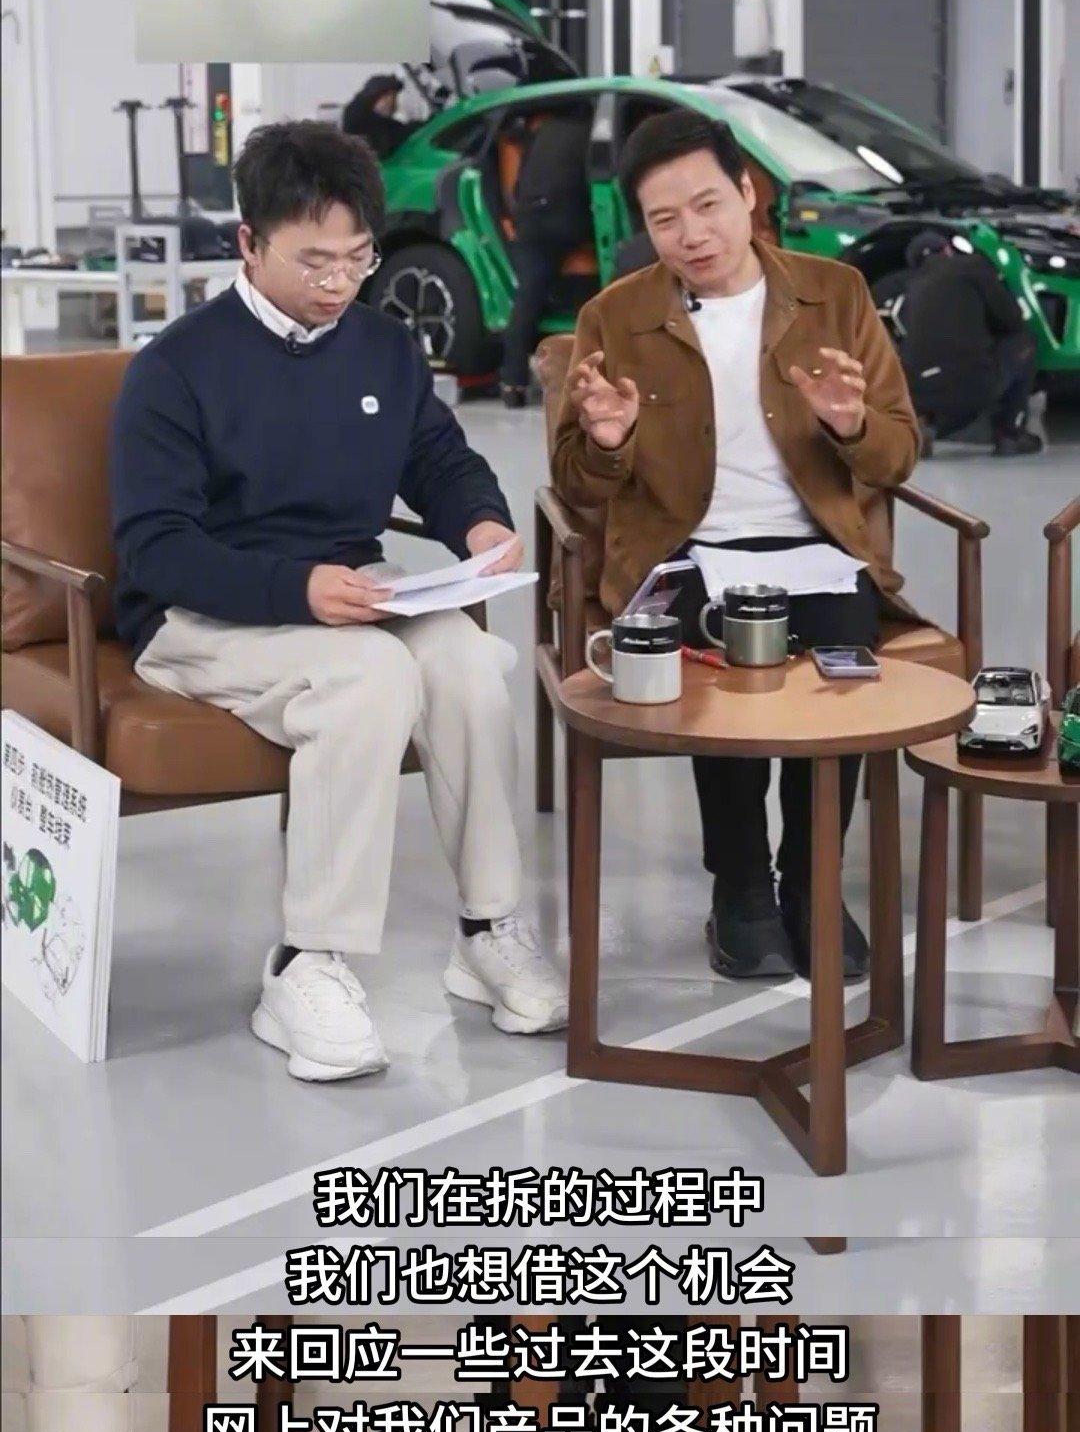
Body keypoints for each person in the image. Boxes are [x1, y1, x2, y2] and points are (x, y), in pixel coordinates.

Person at [111, 120, 566, 1081]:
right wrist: (296, 589)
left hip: (346, 593)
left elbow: (438, 459)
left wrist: (480, 525)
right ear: (248, 243)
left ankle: (487, 930)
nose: (338, 282)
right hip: (201, 614)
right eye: (313, 261)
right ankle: (304, 963)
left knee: (470, 662)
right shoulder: (175, 367)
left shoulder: (382, 347)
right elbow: (155, 548)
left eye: (358, 258)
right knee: (369, 677)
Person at [552, 106, 923, 987]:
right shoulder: (614, 317)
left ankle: (812, 882)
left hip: (817, 550)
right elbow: (575, 484)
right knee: (718, 663)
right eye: (664, 219)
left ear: (748, 193)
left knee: (843, 662)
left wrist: (851, 423)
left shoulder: (835, 294)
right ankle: (743, 888)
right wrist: (606, 441)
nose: (692, 234)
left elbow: (898, 454)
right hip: (685, 555)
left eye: (708, 205)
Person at [883, 227, 1041, 454]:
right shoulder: (972, 266)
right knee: (1024, 342)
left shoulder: (910, 288)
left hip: (918, 391)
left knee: (946, 388)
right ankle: (1010, 433)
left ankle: (928, 427)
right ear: (947, 249)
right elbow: (1011, 319)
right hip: (972, 381)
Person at [500, 106, 594, 406]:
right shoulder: (589, 132)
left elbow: (518, 185)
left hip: (531, 219)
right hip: (567, 218)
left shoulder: (542, 134)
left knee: (527, 298)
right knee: (589, 279)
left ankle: (512, 382)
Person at [342, 75, 408, 161]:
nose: (392, 102)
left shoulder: (381, 122)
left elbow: (400, 130)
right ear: (374, 96)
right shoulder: (357, 120)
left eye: (394, 97)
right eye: (386, 96)